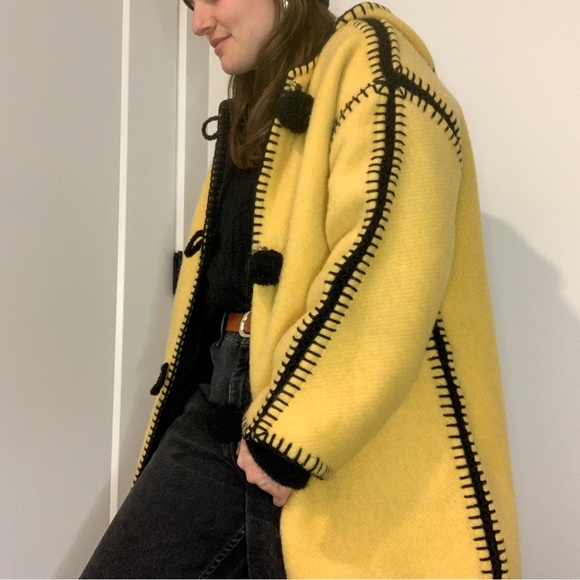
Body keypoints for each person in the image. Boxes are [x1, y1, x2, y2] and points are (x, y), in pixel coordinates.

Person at [82, 0, 521, 577]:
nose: (198, 22)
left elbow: (388, 258)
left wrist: (290, 436)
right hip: (225, 398)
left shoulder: (375, 66)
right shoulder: (262, 101)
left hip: (309, 421)